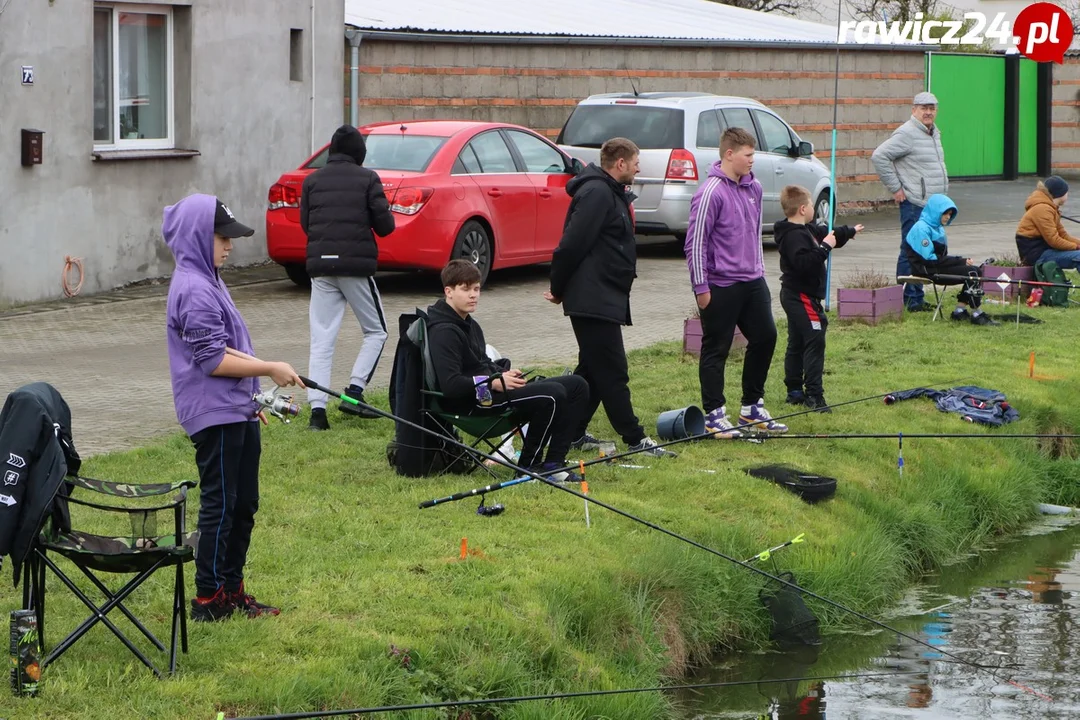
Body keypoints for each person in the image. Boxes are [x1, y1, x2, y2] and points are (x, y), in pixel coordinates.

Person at [163, 193, 304, 621]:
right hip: (212, 415)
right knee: (220, 505)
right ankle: (208, 600)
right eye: (222, 237)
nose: (230, 245)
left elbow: (227, 348)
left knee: (244, 505)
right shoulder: (193, 289)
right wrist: (270, 367)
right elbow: (212, 360)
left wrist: (251, 393)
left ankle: (232, 589)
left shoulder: (210, 279)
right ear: (197, 236)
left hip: (234, 408)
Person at [545, 137, 677, 459]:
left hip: (603, 295)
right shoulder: (597, 193)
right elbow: (570, 245)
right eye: (635, 162)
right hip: (591, 297)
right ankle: (635, 440)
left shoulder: (610, 192)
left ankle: (572, 432)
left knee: (592, 369)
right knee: (613, 370)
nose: (638, 167)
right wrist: (559, 287)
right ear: (620, 164)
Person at [427, 260, 591, 482]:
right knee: (552, 394)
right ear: (449, 291)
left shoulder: (469, 323)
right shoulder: (443, 332)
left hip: (493, 389)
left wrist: (504, 373)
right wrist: (492, 382)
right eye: (465, 289)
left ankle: (554, 463)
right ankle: (529, 467)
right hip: (475, 403)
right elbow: (451, 385)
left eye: (476, 289)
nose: (473, 295)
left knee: (577, 385)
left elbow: (481, 362)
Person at [684, 127, 788, 437]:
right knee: (717, 348)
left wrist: (759, 271)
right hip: (720, 285)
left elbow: (755, 235)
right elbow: (695, 244)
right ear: (729, 154)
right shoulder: (710, 192)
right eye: (748, 155)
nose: (753, 160)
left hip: (752, 281)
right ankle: (714, 415)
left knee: (766, 337)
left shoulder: (753, 187)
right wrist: (701, 288)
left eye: (753, 154)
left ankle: (751, 407)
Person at [301, 124, 395, 431]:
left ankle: (317, 413)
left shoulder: (312, 180)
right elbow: (385, 226)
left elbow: (306, 224)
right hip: (356, 269)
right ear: (360, 154)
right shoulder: (369, 179)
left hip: (320, 270)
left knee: (322, 339)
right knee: (377, 331)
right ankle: (354, 392)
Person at [775, 185, 863, 412]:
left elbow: (828, 234)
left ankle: (794, 392)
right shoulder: (793, 236)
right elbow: (804, 263)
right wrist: (825, 248)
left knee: (797, 341)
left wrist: (849, 232)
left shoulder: (807, 229)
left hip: (802, 295)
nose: (815, 208)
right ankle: (814, 396)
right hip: (799, 296)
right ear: (803, 209)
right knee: (815, 338)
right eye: (813, 205)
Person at [871, 92, 949, 313]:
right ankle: (907, 299)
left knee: (925, 250)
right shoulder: (907, 133)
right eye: (923, 108)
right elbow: (880, 156)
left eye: (932, 108)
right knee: (910, 249)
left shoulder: (933, 133)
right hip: (915, 203)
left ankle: (917, 296)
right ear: (913, 110)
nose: (928, 112)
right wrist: (896, 188)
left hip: (932, 206)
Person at [903, 193, 998, 326]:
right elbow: (930, 260)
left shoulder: (938, 228)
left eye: (950, 214)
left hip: (937, 268)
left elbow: (941, 258)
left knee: (976, 271)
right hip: (926, 271)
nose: (948, 217)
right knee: (973, 273)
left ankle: (960, 310)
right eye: (945, 213)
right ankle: (977, 313)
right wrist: (960, 261)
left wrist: (959, 261)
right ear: (935, 212)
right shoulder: (921, 229)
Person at [1015, 176, 1080, 269]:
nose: (1067, 194)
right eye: (1067, 192)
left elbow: (1063, 235)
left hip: (1045, 251)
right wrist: (1076, 247)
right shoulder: (1043, 209)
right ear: (1059, 193)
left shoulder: (1050, 208)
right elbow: (1054, 240)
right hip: (1037, 255)